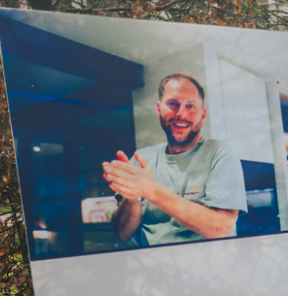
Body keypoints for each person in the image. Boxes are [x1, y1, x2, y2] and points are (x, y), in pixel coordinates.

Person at [103, 73, 247, 246]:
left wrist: (150, 190)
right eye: (173, 104)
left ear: (202, 115)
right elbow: (122, 233)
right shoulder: (143, 159)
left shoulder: (219, 153)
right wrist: (132, 197)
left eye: (190, 106)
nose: (181, 113)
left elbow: (220, 228)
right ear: (158, 110)